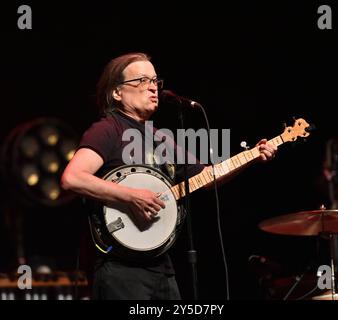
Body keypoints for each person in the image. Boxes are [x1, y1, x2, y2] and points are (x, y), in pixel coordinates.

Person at [61, 52, 277, 300]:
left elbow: (207, 177)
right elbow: (73, 177)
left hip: (162, 267)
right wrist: (131, 196)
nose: (153, 87)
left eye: (155, 80)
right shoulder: (108, 129)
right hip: (120, 271)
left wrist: (251, 156)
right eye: (141, 80)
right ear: (117, 92)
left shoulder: (161, 138)